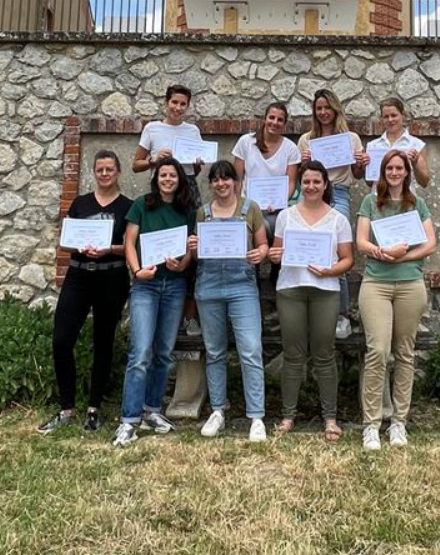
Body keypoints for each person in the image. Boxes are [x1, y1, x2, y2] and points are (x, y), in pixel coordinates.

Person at [38, 150, 132, 434]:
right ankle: (67, 408)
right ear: (94, 172)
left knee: (103, 343)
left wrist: (108, 248)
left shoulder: (128, 207)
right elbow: (65, 242)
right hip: (78, 276)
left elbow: (130, 245)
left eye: (109, 170)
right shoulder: (79, 203)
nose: (104, 174)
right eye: (100, 170)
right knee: (61, 340)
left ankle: (94, 408)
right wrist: (75, 245)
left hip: (111, 277)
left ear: (118, 172)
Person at [112, 157, 195, 447]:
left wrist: (181, 264)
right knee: (141, 352)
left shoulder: (186, 209)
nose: (168, 179)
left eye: (173, 175)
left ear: (179, 179)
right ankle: (129, 419)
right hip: (145, 285)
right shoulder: (142, 204)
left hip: (174, 285)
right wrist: (137, 271)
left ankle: (152, 410)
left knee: (163, 352)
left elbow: (189, 252)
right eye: (163, 175)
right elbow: (129, 242)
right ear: (156, 178)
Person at [357, 150, 436, 451]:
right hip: (376, 282)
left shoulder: (418, 204)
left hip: (410, 283)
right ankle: (371, 425)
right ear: (383, 171)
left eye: (399, 168)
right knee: (377, 351)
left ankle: (399, 422)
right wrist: (381, 253)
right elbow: (361, 241)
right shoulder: (369, 202)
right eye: (389, 168)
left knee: (404, 352)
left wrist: (404, 255)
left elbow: (430, 244)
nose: (394, 172)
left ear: (406, 172)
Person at [268, 160, 354, 440]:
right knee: (293, 355)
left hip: (326, 289)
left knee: (324, 354)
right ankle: (288, 416)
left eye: (317, 181)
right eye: (306, 181)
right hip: (291, 288)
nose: (311, 186)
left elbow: (348, 259)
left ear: (325, 185)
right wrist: (274, 255)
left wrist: (331, 270)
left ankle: (330, 418)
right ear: (300, 185)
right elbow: (276, 252)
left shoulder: (338, 219)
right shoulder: (286, 216)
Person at [187, 160, 269, 442]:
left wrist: (261, 253)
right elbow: (197, 255)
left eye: (226, 179)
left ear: (235, 181)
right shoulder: (203, 213)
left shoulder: (251, 209)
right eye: (216, 180)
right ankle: (218, 410)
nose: (221, 184)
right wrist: (194, 248)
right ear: (210, 184)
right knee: (215, 350)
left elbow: (263, 245)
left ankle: (256, 416)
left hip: (242, 286)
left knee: (250, 349)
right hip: (208, 285)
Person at [132, 83, 203, 335]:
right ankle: (150, 299)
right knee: (159, 241)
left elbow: (196, 170)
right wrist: (153, 159)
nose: (178, 108)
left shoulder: (192, 130)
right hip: (160, 187)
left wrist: (197, 164)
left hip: (188, 189)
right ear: (166, 102)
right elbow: (136, 164)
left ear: (187, 106)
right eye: (174, 102)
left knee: (192, 246)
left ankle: (190, 315)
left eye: (183, 104)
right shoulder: (152, 128)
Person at [297, 88, 366, 339]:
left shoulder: (351, 138)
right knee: (310, 248)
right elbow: (299, 177)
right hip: (312, 194)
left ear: (335, 109)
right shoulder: (306, 139)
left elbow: (358, 176)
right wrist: (303, 162)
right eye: (319, 108)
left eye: (327, 107)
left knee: (339, 251)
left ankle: (342, 315)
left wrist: (360, 164)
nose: (324, 112)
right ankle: (309, 310)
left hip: (339, 193)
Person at [232, 102, 300, 282]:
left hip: (276, 207)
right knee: (250, 227)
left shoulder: (291, 148)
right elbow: (237, 179)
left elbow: (291, 182)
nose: (275, 122)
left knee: (280, 226)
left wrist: (279, 201)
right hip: (247, 205)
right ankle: (251, 279)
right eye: (272, 117)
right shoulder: (246, 143)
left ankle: (277, 272)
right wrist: (239, 205)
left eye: (280, 120)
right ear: (264, 119)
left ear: (284, 124)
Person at [366, 96, 430, 189]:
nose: (390, 120)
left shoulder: (417, 145)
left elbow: (424, 182)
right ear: (382, 119)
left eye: (394, 115)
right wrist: (364, 167)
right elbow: (370, 183)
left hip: (406, 200)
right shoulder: (372, 146)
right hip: (378, 200)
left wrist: (415, 164)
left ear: (402, 116)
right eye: (386, 117)